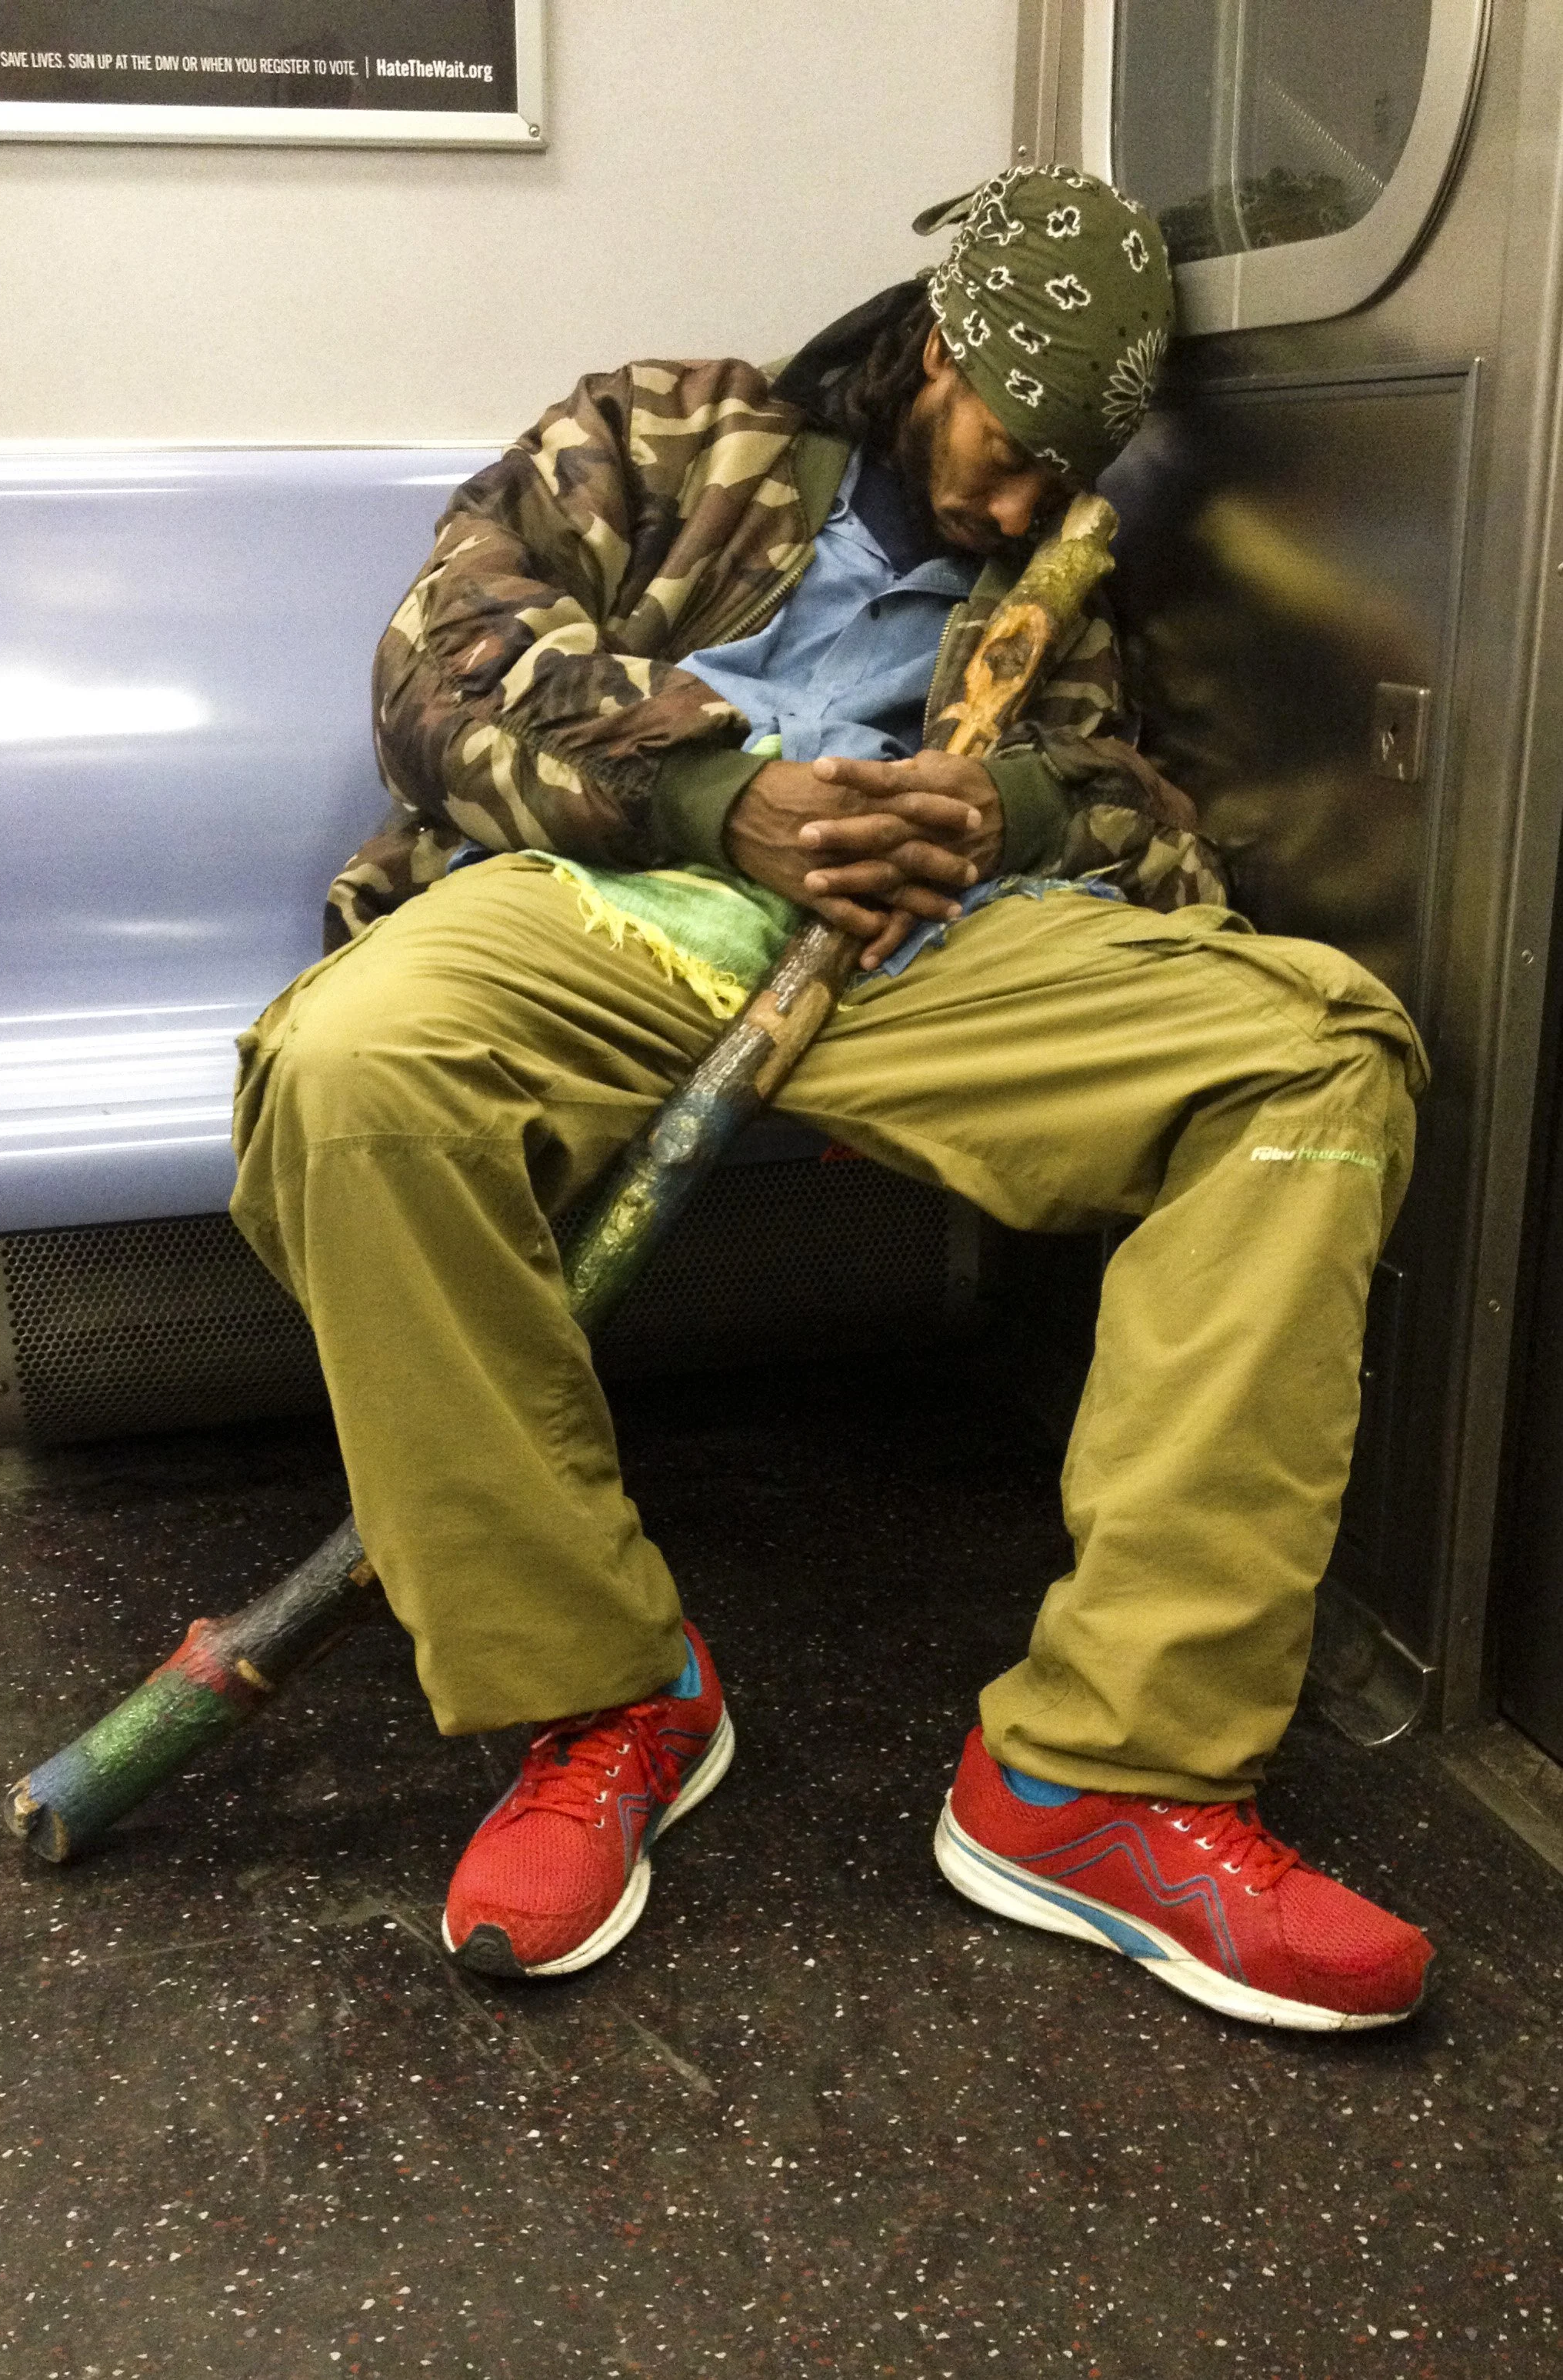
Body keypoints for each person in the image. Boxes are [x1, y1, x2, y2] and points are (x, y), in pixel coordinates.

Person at [231, 164, 1434, 2031]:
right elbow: (435, 669)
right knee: (350, 1072)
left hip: (916, 949)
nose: (1025, 500)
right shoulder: (659, 431)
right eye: (1007, 445)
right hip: (604, 901)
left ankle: (1107, 1772)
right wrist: (721, 802)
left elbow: (1116, 787)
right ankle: (600, 1691)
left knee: (1311, 1054)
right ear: (935, 346)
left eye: (1067, 472)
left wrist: (1007, 811)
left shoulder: (1055, 569)